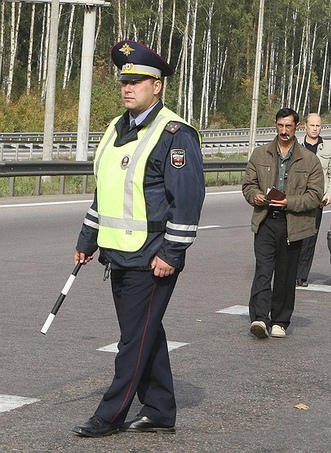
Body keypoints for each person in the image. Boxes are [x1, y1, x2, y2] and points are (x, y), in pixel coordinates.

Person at [71, 40, 205, 437]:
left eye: (138, 81)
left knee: (133, 339)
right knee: (144, 332)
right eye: (124, 81)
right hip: (118, 252)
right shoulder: (116, 128)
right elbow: (106, 191)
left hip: (152, 257)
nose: (128, 88)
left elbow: (187, 200)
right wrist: (87, 239)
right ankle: (161, 409)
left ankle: (110, 415)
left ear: (157, 86)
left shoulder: (174, 133)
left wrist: (172, 252)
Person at [242, 108, 324, 339]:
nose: (284, 131)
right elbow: (248, 185)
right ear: (275, 125)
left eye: (288, 126)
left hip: (294, 224)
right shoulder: (260, 155)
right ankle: (259, 318)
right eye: (280, 126)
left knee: (286, 275)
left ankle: (279, 320)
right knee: (263, 271)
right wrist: (255, 196)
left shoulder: (310, 160)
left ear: (297, 126)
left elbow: (315, 195)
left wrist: (289, 202)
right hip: (266, 220)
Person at [296, 113, 331, 287]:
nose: (315, 129)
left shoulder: (328, 147)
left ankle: (301, 276)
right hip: (297, 198)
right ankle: (289, 271)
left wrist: (329, 193)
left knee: (309, 238)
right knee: (292, 236)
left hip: (316, 199)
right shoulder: (297, 146)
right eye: (312, 125)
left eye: (318, 126)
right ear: (306, 126)